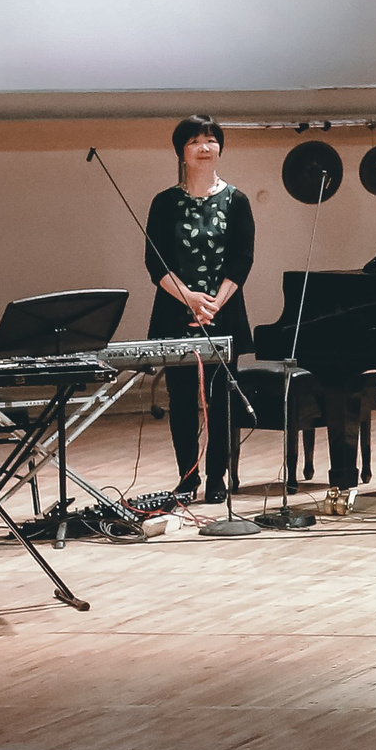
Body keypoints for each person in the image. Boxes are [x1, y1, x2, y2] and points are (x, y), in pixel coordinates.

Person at [146, 115, 256, 502]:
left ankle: (216, 478)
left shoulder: (237, 200)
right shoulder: (165, 202)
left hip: (223, 311)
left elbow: (242, 260)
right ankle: (187, 476)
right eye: (195, 141)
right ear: (182, 152)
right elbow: (155, 263)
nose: (204, 147)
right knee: (181, 400)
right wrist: (190, 299)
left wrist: (211, 304)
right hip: (177, 310)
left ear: (220, 148)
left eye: (210, 140)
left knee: (221, 397)